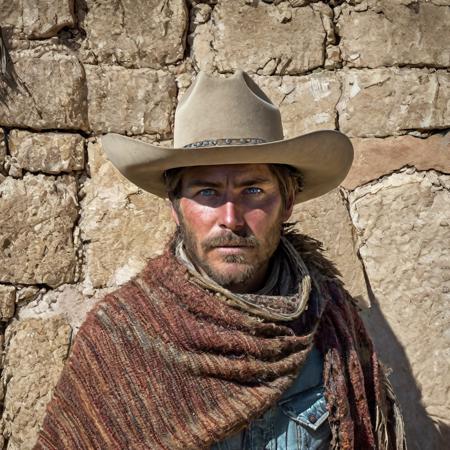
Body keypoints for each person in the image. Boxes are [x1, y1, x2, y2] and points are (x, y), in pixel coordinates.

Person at [33, 70, 405, 449]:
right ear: (175, 208)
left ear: (287, 203)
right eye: (207, 191)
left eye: (254, 190)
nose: (231, 218)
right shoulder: (121, 340)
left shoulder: (331, 326)